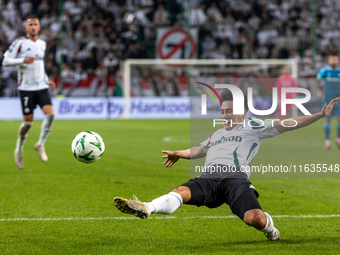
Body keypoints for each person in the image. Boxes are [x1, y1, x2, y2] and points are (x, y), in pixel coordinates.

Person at [113, 89, 339, 241]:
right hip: (208, 178)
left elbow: (288, 124)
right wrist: (178, 154)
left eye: (229, 111)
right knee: (180, 192)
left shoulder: (255, 126)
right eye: (222, 111)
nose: (224, 115)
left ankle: (271, 230)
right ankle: (147, 207)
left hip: (235, 180)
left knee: (255, 219)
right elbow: (201, 150)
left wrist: (319, 115)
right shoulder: (217, 133)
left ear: (243, 111)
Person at [2, 15, 56, 170]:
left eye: (35, 24)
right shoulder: (19, 44)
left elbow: (40, 65)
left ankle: (40, 144)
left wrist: (46, 79)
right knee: (27, 123)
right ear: (26, 28)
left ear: (39, 27)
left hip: (41, 87)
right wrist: (22, 60)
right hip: (26, 89)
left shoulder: (42, 44)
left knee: (50, 115)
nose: (33, 27)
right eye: (30, 24)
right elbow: (5, 60)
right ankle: (18, 150)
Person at [317, 54, 340, 150]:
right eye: (332, 58)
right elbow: (318, 80)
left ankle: (338, 139)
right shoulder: (325, 70)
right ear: (329, 60)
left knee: (339, 119)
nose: (334, 60)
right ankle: (327, 141)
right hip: (328, 99)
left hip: (338, 99)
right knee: (327, 119)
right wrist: (318, 91)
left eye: (335, 58)